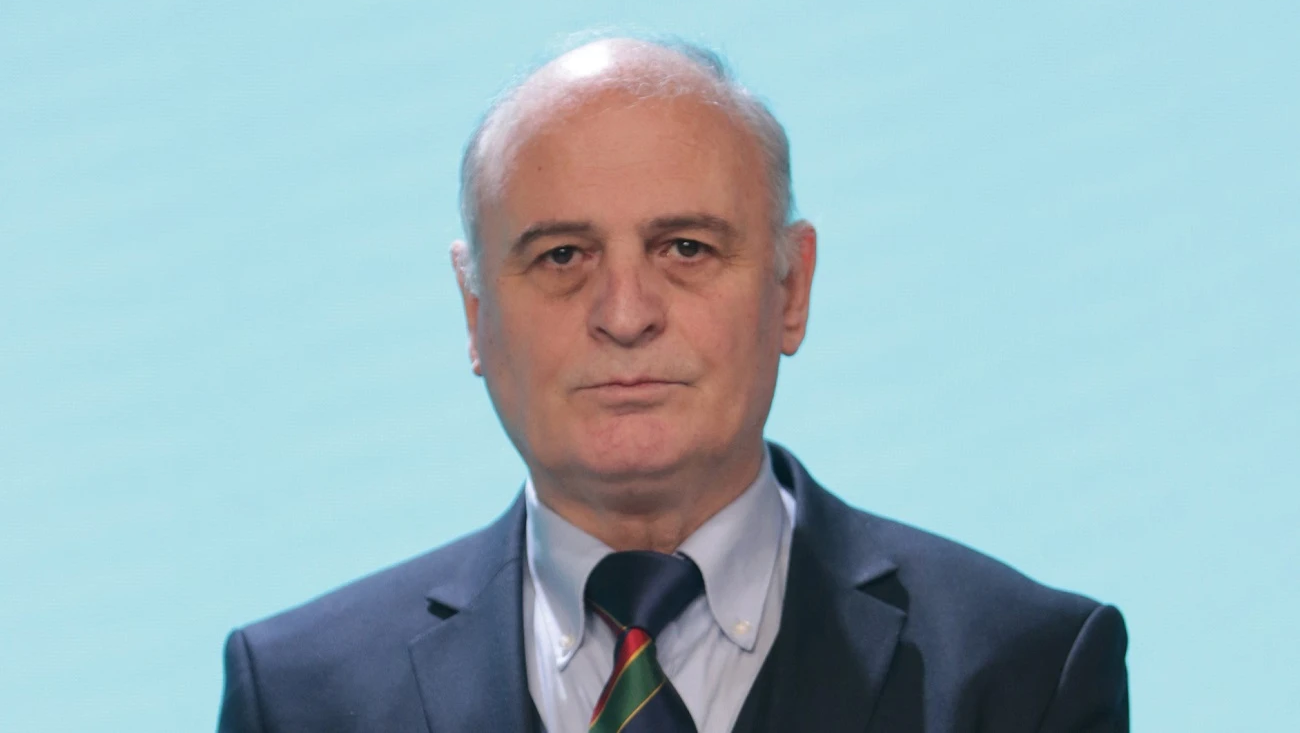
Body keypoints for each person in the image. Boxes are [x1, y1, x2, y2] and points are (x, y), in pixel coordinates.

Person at [217, 36, 1129, 732]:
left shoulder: (1023, 674)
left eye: (685, 248)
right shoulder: (299, 695)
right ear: (474, 310)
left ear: (792, 289)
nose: (625, 313)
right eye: (562, 255)